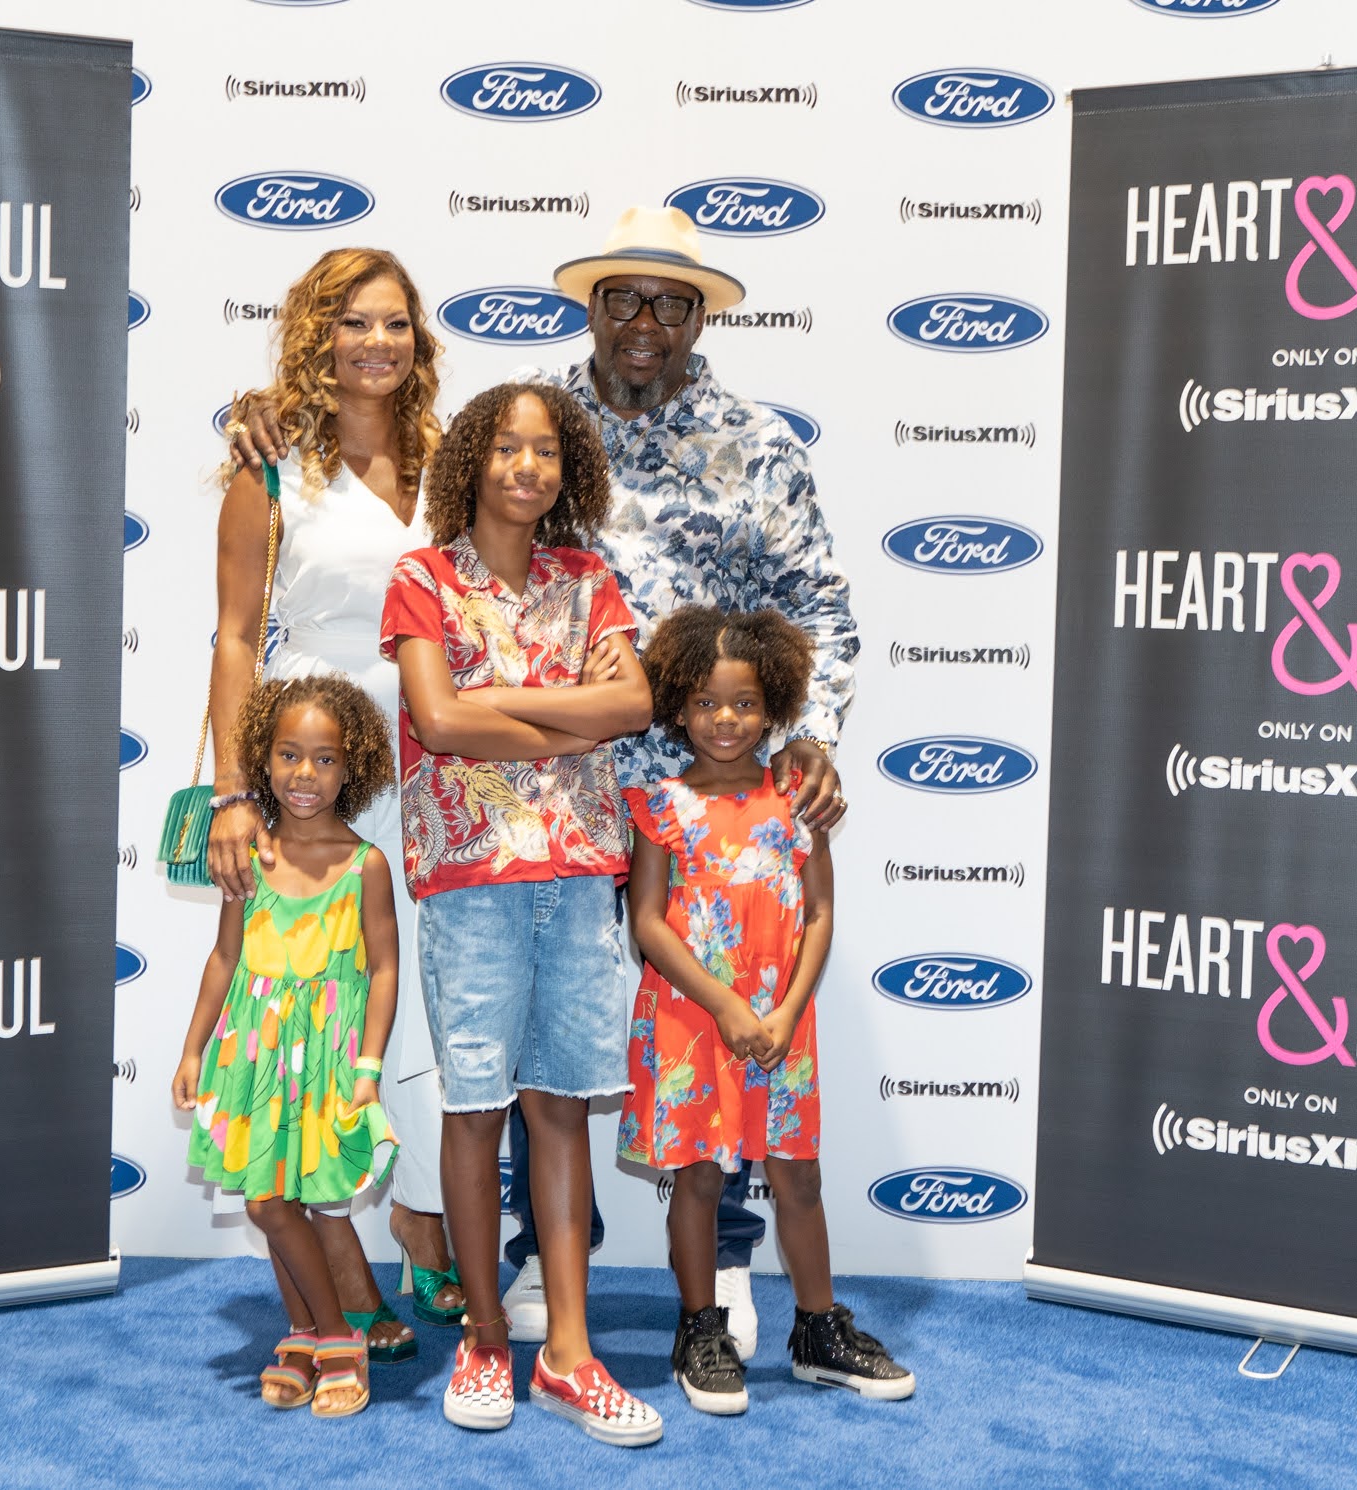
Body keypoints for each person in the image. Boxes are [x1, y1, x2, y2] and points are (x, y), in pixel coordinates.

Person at [225, 210, 860, 1355]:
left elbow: (817, 603)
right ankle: (524, 1259)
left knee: (712, 1026)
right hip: (524, 813)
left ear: (699, 315)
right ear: (591, 305)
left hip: (703, 799)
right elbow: (379, 450)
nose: (644, 320)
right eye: (622, 296)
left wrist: (808, 733)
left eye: (670, 300)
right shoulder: (524, 424)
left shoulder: (757, 443)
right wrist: (261, 412)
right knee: (509, 1050)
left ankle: (719, 1268)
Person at [380, 383, 661, 1446]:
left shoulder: (588, 580)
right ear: (471, 459)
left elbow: (631, 705)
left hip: (579, 875)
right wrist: (567, 720)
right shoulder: (421, 578)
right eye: (505, 446)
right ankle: (487, 1334)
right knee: (473, 1107)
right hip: (470, 882)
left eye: (545, 450)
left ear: (567, 468)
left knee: (560, 1106)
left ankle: (569, 1353)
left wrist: (497, 703)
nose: (526, 466)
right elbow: (437, 721)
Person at [206, 247, 463, 1349]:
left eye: (395, 322)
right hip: (319, 769)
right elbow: (232, 636)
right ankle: (357, 1253)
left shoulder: (453, 462)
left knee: (424, 999)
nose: (376, 342)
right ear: (318, 336)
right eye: (353, 322)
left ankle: (423, 1214)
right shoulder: (272, 468)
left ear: (419, 340)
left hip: (444, 766)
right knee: (322, 1001)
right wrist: (233, 791)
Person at [621, 608, 913, 1413]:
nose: (726, 720)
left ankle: (818, 1332)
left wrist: (784, 1013)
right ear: (679, 708)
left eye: (745, 704)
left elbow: (819, 913)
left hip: (784, 1025)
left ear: (774, 705)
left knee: (799, 1176)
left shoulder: (797, 801)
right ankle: (699, 1330)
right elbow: (648, 922)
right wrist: (724, 1005)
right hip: (693, 1022)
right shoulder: (659, 805)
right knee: (699, 1177)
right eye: (708, 703)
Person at [172, 674, 404, 1418]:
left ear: (353, 767)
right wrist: (193, 1050)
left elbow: (385, 968)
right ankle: (310, 1331)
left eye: (326, 759)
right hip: (255, 1058)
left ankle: (332, 1337)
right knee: (271, 1199)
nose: (306, 774)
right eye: (289, 755)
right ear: (263, 760)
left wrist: (369, 1068)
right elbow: (224, 958)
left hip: (327, 1060)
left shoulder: (366, 865)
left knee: (281, 1202)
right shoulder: (253, 857)